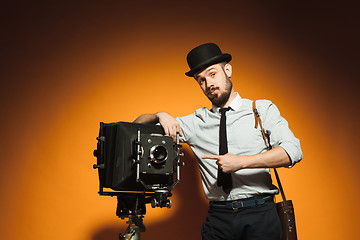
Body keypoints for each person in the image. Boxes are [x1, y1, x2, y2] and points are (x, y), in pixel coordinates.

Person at [133, 43, 303, 240]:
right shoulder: (195, 122)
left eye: (213, 74)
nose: (208, 84)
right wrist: (158, 115)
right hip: (219, 217)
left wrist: (241, 162)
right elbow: (133, 128)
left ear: (228, 70)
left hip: (260, 213)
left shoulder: (261, 110)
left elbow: (293, 151)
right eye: (201, 80)